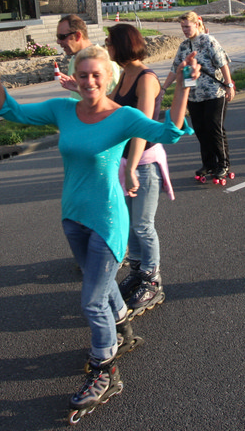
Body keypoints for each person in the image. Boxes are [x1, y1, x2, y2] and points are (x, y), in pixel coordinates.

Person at [0, 45, 197, 418]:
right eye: (83, 75)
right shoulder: (63, 110)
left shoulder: (122, 116)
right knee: (103, 286)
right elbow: (13, 112)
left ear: (108, 78)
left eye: (96, 75)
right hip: (73, 217)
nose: (89, 81)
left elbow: (170, 132)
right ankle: (122, 328)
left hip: (108, 220)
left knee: (92, 301)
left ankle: (105, 372)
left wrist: (185, 85)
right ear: (74, 78)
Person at [106, 24, 171, 318]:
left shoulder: (146, 78)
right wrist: (81, 90)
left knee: (143, 225)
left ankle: (152, 281)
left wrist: (131, 166)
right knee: (130, 223)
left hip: (144, 163)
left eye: (109, 41)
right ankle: (137, 272)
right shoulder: (124, 75)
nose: (106, 46)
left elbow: (141, 128)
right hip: (127, 162)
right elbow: (111, 109)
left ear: (122, 44)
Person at [162, 11, 236, 183]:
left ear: (197, 24)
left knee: (214, 128)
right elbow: (175, 69)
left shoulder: (208, 41)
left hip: (214, 93)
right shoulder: (184, 46)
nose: (185, 30)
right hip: (194, 96)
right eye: (182, 27)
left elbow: (223, 63)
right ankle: (209, 164)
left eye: (187, 26)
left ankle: (223, 164)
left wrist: (229, 85)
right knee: (201, 130)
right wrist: (163, 88)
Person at [55, 14, 120, 97]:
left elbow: (113, 98)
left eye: (62, 37)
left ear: (78, 35)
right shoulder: (74, 59)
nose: (58, 41)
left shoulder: (104, 59)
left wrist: (81, 91)